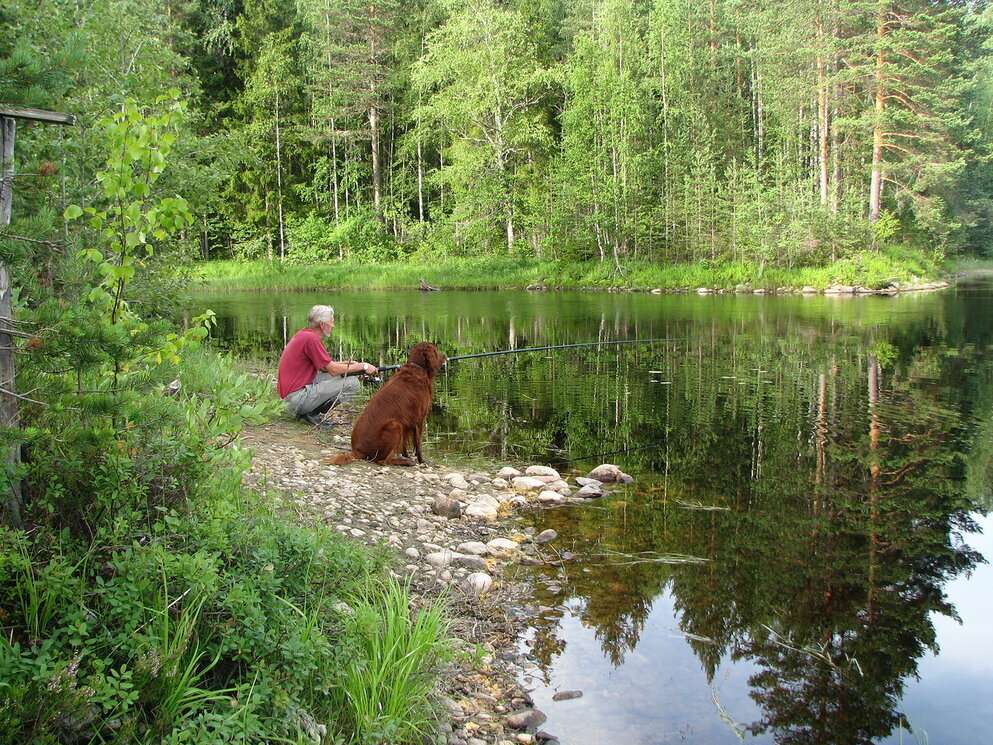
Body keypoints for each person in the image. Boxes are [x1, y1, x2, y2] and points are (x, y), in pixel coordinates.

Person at [277, 305, 379, 429]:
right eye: (331, 322)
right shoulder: (311, 339)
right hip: (296, 399)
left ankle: (308, 413)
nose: (333, 326)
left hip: (292, 395)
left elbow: (325, 367)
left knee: (346, 376)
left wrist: (354, 366)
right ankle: (309, 414)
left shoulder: (306, 334)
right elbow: (333, 370)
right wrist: (363, 367)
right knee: (352, 383)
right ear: (322, 324)